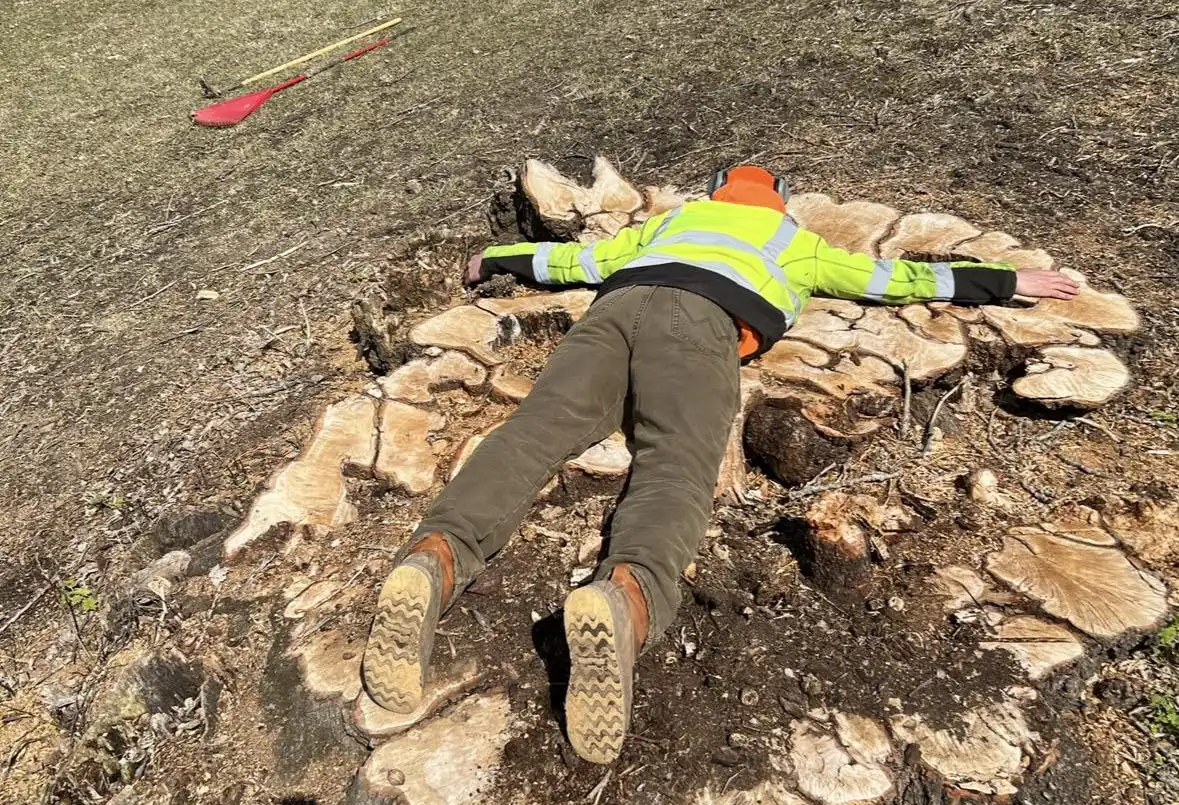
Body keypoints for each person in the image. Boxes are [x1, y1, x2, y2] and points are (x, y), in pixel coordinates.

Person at [361, 165, 1079, 764]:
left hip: (616, 311)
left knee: (531, 434)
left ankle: (434, 557)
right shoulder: (794, 241)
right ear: (779, 200)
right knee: (674, 462)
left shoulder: (666, 225)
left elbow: (575, 264)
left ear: (712, 194)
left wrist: (497, 260)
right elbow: (888, 279)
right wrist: (997, 282)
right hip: (701, 324)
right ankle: (628, 594)